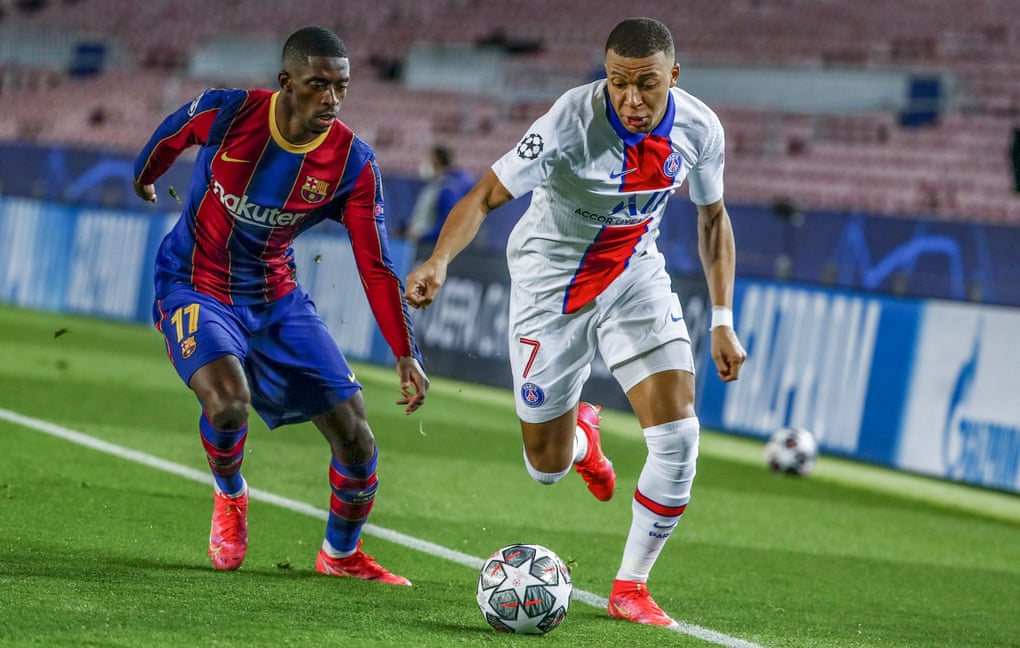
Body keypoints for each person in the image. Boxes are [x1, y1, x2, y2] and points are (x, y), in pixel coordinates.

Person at [405, 17, 746, 626]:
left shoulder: (701, 129)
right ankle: (582, 438)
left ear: (674, 74)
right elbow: (485, 194)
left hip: (633, 273)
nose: (631, 99)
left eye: (647, 84)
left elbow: (714, 219)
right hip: (549, 284)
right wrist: (439, 259)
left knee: (678, 437)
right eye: (618, 82)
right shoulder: (568, 122)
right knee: (546, 466)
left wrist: (722, 317)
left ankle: (631, 588)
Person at [133, 26, 428, 585]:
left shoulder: (352, 163)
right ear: (286, 82)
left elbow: (375, 264)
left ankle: (340, 555)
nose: (332, 99)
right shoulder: (230, 114)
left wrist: (404, 350)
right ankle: (230, 493)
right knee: (227, 405)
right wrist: (145, 177)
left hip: (275, 298)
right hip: (194, 284)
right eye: (318, 85)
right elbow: (172, 132)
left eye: (341, 87)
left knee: (357, 437)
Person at [402, 145, 475, 245]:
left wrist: (424, 236)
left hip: (430, 246)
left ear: (437, 161)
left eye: (429, 160)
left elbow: (449, 223)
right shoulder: (433, 186)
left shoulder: (448, 189)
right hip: (419, 243)